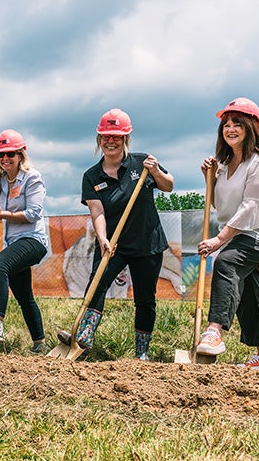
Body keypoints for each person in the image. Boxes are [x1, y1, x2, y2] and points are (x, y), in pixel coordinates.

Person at [57, 108, 174, 360]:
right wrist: (102, 238)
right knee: (97, 285)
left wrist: (156, 172)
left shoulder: (142, 164)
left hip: (147, 243)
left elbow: (169, 186)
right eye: (105, 136)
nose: (111, 141)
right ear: (99, 140)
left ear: (125, 139)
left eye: (116, 136)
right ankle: (84, 336)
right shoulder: (91, 176)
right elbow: (97, 211)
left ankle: (141, 352)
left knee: (145, 298)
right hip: (113, 243)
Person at [195, 97, 259, 371]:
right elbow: (220, 207)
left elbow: (251, 208)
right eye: (226, 124)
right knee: (248, 290)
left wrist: (219, 240)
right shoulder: (223, 166)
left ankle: (214, 331)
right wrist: (209, 179)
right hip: (237, 235)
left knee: (226, 262)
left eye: (237, 123)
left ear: (251, 127)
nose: (230, 128)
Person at [0, 129, 50, 354]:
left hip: (33, 240)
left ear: (20, 155)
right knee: (24, 296)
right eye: (1, 155)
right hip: (13, 242)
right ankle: (39, 343)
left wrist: (1, 214)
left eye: (10, 154)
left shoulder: (32, 177)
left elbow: (33, 213)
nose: (5, 159)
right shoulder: (1, 182)